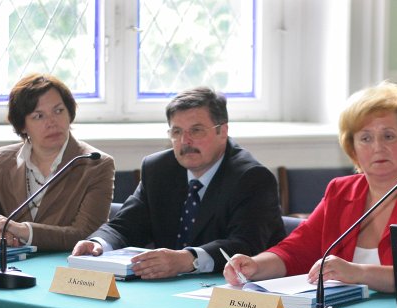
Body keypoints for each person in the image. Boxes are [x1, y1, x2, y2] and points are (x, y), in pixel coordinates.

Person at [223, 81, 397, 292]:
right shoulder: (340, 190)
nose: (378, 147)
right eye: (365, 138)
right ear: (353, 150)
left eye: (389, 136)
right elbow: (297, 249)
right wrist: (256, 265)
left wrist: (358, 273)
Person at [71, 87, 285, 279]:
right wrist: (98, 244)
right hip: (170, 287)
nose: (185, 141)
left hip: (236, 290)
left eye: (196, 130)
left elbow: (245, 245)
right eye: (177, 131)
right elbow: (126, 225)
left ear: (223, 131)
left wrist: (187, 259)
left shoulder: (252, 178)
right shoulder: (158, 169)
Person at [0, 73, 114, 251]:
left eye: (58, 111)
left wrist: (23, 230)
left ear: (70, 114)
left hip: (66, 270)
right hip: (12, 267)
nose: (52, 122)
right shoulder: (3, 160)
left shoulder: (95, 164)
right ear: (22, 125)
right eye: (39, 116)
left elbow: (86, 234)